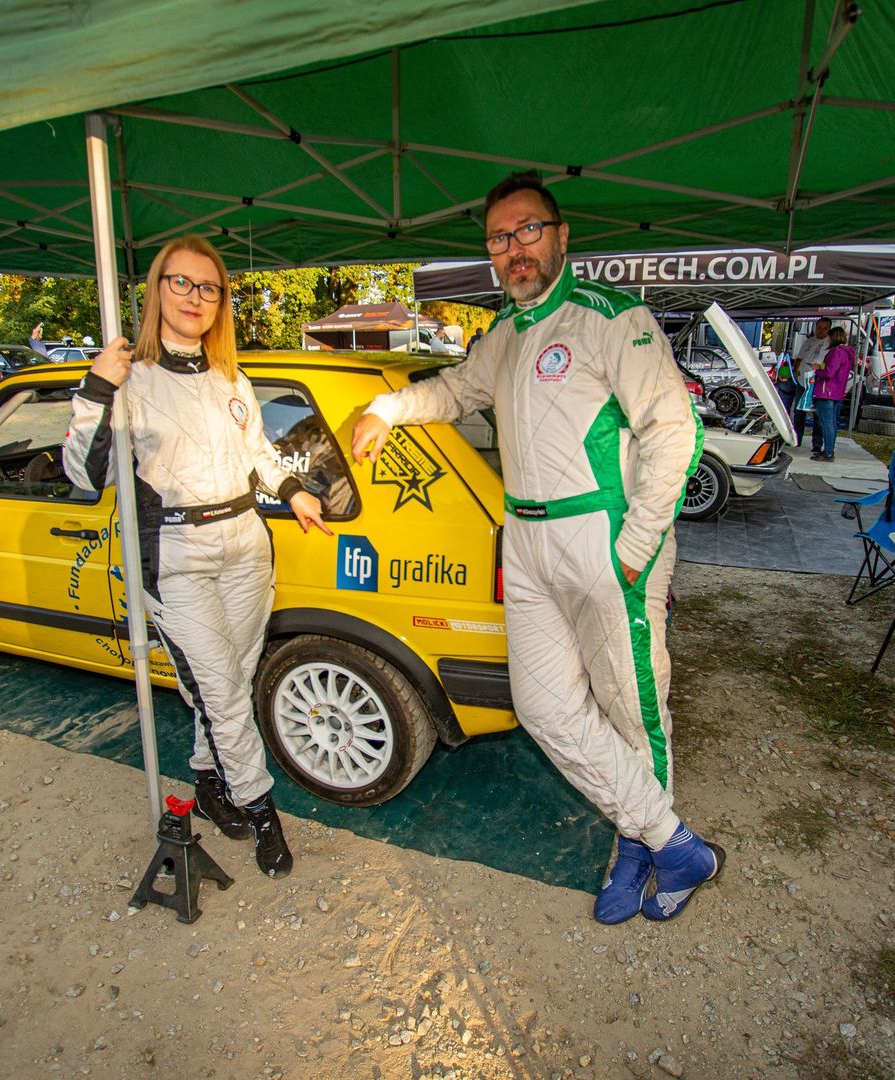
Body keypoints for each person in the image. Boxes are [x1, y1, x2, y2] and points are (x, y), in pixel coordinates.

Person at [351, 170, 723, 925]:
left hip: (603, 534)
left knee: (631, 705)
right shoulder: (505, 334)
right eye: (499, 238)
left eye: (527, 230)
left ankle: (639, 847)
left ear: (560, 237)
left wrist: (637, 543)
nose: (514, 249)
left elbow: (674, 430)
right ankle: (668, 840)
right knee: (545, 706)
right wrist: (387, 408)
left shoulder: (611, 317)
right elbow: (455, 391)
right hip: (523, 540)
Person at [61, 235, 331, 879]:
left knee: (230, 680)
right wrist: (97, 388)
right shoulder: (128, 377)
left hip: (245, 544)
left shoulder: (230, 375)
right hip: (175, 553)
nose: (194, 297)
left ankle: (209, 783)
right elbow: (83, 473)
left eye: (209, 287)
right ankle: (261, 811)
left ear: (221, 301)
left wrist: (293, 491)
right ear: (157, 289)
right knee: (221, 691)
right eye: (180, 282)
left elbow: (259, 454)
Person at [810, 326, 856, 462]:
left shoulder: (836, 351)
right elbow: (835, 369)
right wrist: (822, 367)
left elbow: (829, 373)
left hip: (826, 391)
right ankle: (829, 450)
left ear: (833, 337)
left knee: (826, 423)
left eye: (829, 337)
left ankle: (828, 453)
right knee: (832, 423)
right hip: (837, 391)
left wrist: (817, 370)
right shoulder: (847, 353)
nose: (828, 340)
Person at [791, 318, 830, 445]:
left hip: (817, 382)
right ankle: (797, 439)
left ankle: (817, 443)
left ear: (829, 329)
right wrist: (795, 369)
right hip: (802, 380)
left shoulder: (830, 344)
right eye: (819, 327)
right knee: (799, 411)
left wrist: (820, 368)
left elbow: (830, 365)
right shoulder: (808, 341)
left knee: (818, 414)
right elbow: (799, 357)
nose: (821, 330)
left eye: (825, 328)